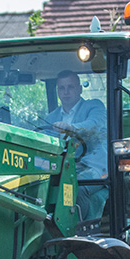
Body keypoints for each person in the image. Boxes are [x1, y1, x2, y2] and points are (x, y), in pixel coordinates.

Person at [44, 70, 108, 220]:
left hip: (94, 168)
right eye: (62, 88)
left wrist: (72, 128)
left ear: (79, 89)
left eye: (70, 87)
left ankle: (79, 232)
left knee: (74, 189)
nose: (66, 92)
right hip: (62, 168)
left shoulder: (94, 106)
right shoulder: (50, 117)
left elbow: (95, 124)